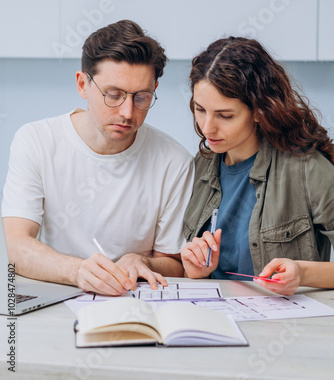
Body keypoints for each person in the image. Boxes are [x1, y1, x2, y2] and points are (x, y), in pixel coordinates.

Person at [2, 19, 194, 296]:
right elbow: (16, 246)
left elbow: (174, 263)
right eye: (113, 95)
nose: (128, 112)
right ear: (82, 84)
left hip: (138, 301)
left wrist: (141, 261)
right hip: (60, 295)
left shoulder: (175, 161)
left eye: (142, 97)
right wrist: (77, 271)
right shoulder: (35, 141)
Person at [180, 36, 334, 296]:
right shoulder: (199, 168)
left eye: (225, 115)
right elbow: (191, 272)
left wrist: (302, 273)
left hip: (284, 326)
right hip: (215, 318)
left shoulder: (307, 170)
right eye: (200, 109)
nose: (207, 128)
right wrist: (195, 272)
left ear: (260, 110)